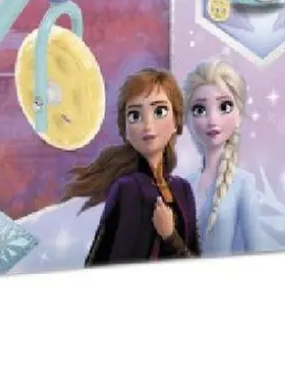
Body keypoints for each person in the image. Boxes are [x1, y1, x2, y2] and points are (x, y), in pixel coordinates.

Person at [64, 67, 200, 266]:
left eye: (159, 111)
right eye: (135, 115)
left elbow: (197, 264)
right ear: (126, 131)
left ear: (176, 122)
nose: (147, 125)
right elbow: (104, 261)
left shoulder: (183, 189)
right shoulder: (128, 189)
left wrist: (170, 236)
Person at [182, 58, 268, 255]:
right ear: (188, 119)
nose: (213, 120)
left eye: (224, 107)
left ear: (239, 116)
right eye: (200, 110)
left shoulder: (244, 183)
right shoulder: (186, 183)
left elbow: (255, 249)